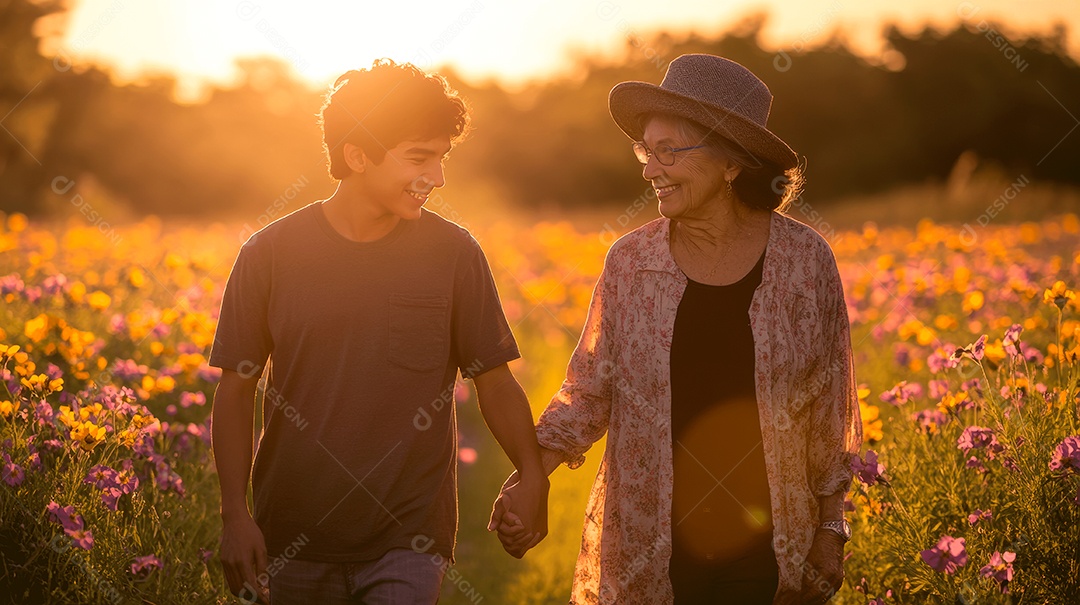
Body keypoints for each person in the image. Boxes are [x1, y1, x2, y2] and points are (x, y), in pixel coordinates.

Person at [491, 54, 861, 604]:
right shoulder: (630, 264)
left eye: (669, 151)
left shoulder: (805, 263)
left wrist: (832, 531)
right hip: (648, 547)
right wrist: (530, 474)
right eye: (645, 149)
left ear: (732, 163)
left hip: (765, 548)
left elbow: (831, 410)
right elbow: (589, 391)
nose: (648, 168)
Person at [210, 59, 548, 605]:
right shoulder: (269, 255)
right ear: (357, 155)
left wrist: (533, 473)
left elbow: (495, 378)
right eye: (419, 157)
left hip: (409, 538)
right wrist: (235, 515)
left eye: (441, 158)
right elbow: (235, 389)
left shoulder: (454, 253)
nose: (436, 177)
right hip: (293, 535)